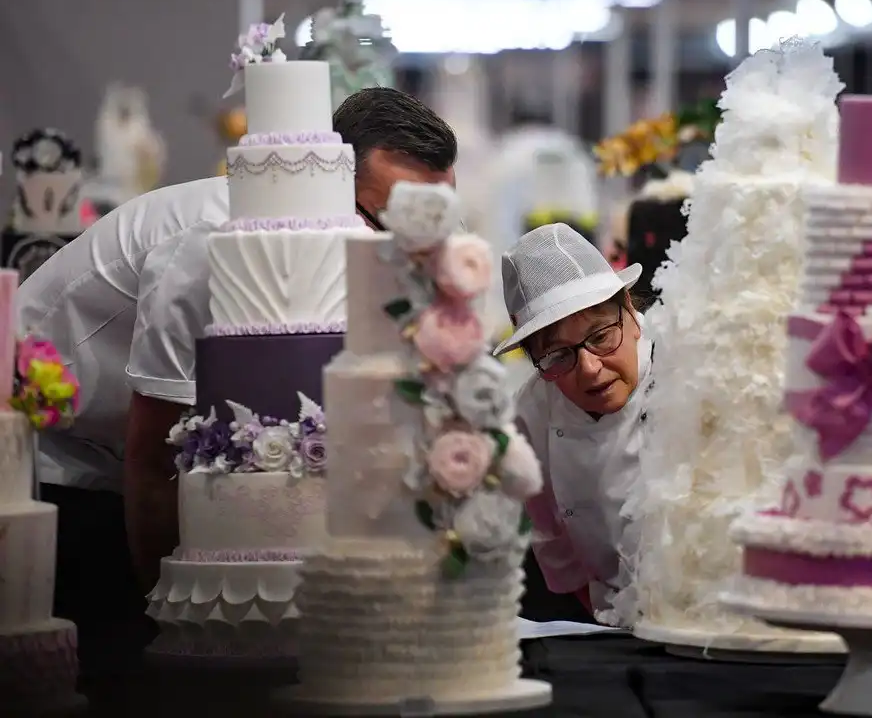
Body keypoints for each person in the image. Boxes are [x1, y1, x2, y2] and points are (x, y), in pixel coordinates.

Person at [17, 87, 456, 694]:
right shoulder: (219, 245)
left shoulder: (353, 251)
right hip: (55, 457)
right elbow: (151, 453)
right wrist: (174, 630)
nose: (410, 250)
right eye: (390, 224)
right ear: (327, 180)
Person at [494, 223, 651, 622]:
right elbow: (556, 545)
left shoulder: (685, 372)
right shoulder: (532, 411)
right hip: (608, 623)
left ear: (630, 313)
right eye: (558, 355)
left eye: (600, 337)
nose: (590, 369)